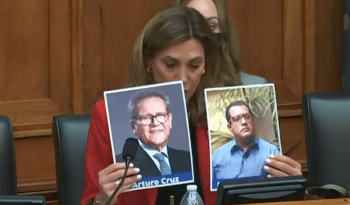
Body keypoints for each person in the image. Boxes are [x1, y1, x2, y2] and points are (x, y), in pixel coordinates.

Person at [81, 5, 302, 205]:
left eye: (194, 65)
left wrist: (286, 187)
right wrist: (102, 200)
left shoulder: (225, 113)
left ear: (206, 65)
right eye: (170, 64)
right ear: (149, 61)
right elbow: (91, 199)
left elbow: (252, 196)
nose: (182, 78)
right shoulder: (108, 114)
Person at [175, 0, 268, 85]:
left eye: (211, 26)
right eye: (195, 25)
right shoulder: (171, 90)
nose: (204, 33)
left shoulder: (254, 86)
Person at [114, 91, 191, 179]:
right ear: (134, 126)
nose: (155, 123)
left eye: (160, 115)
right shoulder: (122, 165)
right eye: (146, 117)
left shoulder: (187, 159)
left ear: (170, 120)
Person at [212, 101, 280, 182]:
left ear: (253, 121)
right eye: (236, 119)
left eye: (247, 117)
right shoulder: (217, 157)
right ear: (230, 127)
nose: (244, 122)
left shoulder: (271, 152)